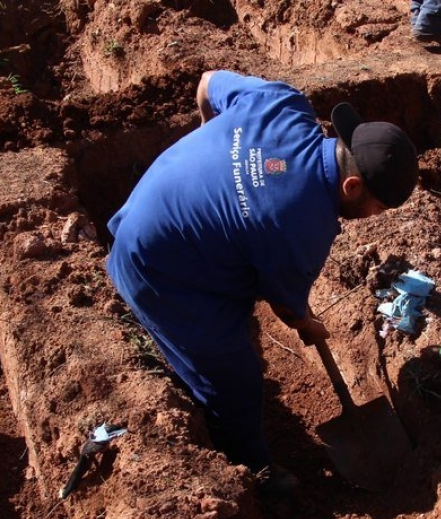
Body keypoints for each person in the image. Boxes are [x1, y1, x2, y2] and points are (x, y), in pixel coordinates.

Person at [105, 70, 419, 496]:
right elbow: (287, 308)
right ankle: (252, 468)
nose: (373, 218)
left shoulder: (284, 104)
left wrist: (209, 140)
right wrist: (308, 324)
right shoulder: (303, 228)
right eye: (376, 208)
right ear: (352, 185)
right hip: (157, 271)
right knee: (235, 381)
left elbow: (207, 81)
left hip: (148, 215)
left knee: (239, 297)